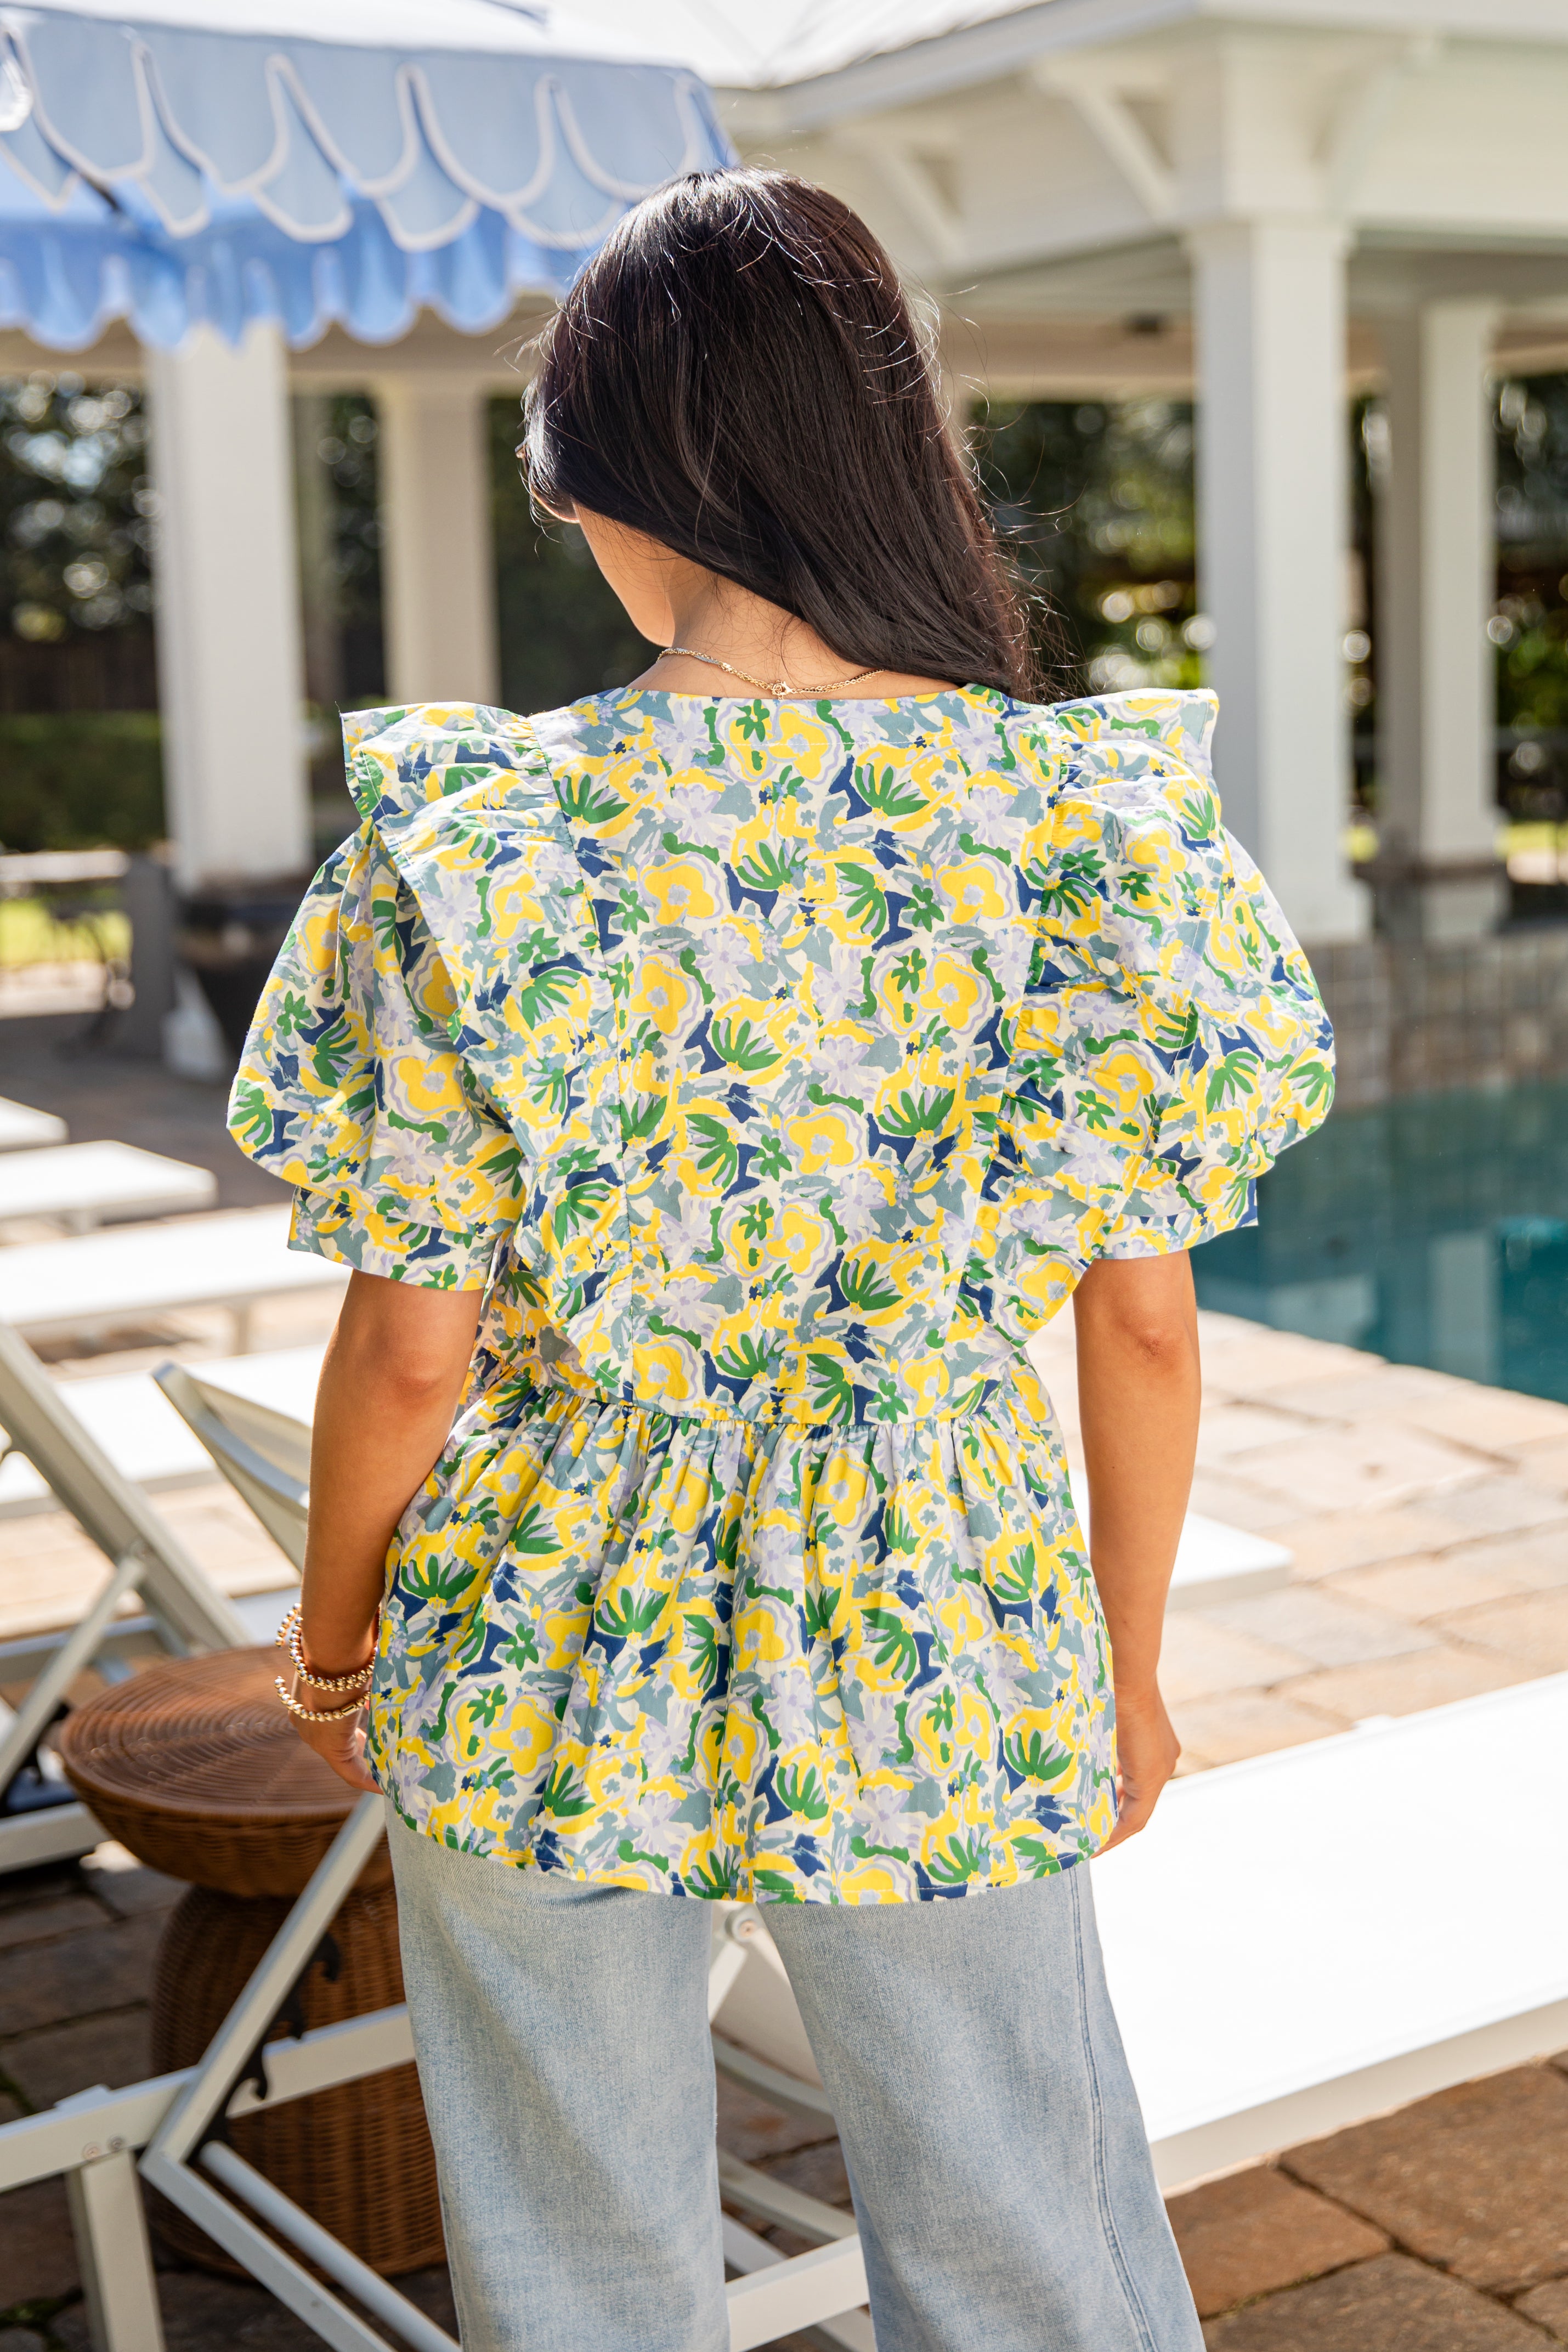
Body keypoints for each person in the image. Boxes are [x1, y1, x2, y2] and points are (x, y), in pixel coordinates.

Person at [230, 167, 1333, 2352]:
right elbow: (1138, 1314)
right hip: (943, 1595)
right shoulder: (1084, 824)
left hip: (543, 1619)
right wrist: (1113, 1663)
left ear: (644, 476)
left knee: (573, 2262)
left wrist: (332, 1650)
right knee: (1028, 2234)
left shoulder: (479, 836)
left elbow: (410, 1361)